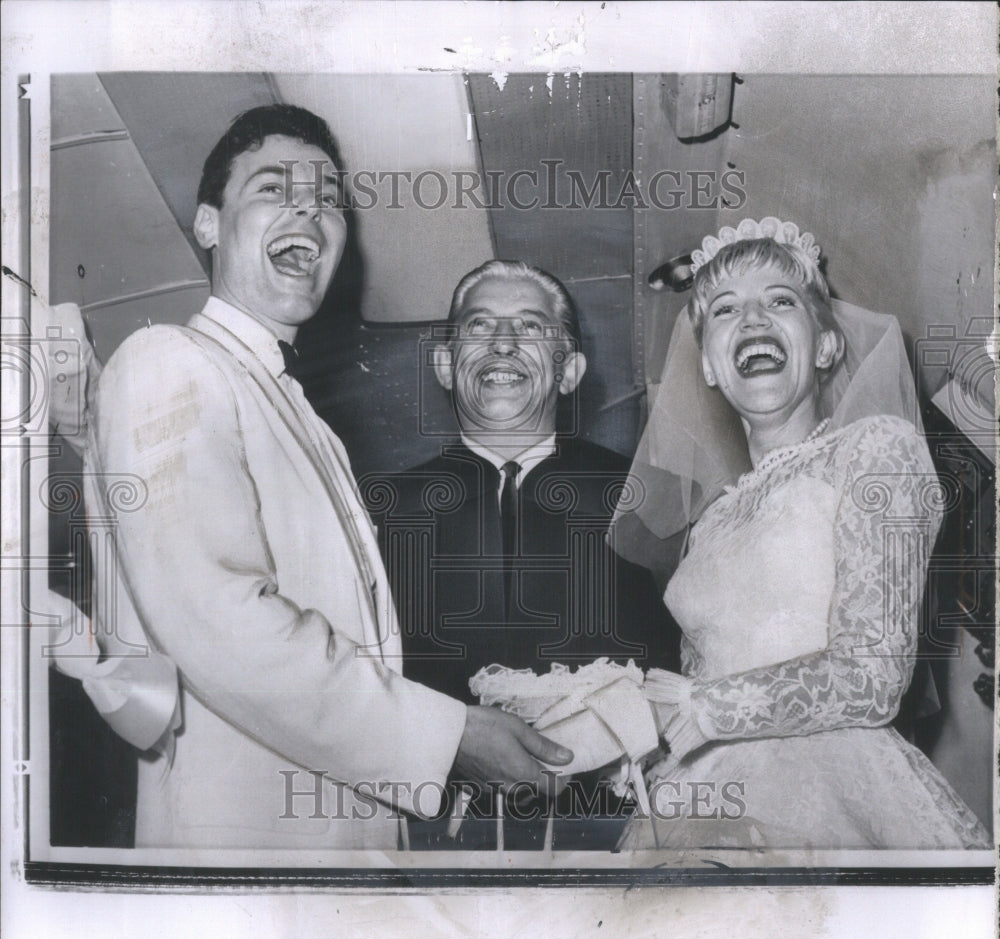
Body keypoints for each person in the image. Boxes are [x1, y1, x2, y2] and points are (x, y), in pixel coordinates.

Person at [82, 105, 570, 850]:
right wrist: (449, 736)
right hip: (247, 854)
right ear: (208, 224)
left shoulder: (299, 413)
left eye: (327, 201)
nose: (310, 211)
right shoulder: (168, 364)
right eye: (274, 188)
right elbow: (221, 617)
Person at [612, 217, 990, 849]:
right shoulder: (713, 519)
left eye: (780, 301)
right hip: (699, 793)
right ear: (709, 366)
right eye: (726, 310)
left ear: (824, 348)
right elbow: (699, 672)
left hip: (833, 786)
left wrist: (704, 710)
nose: (753, 319)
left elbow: (872, 677)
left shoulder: (876, 450)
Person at [365, 260, 677, 849]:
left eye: (531, 328)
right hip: (430, 843)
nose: (503, 343)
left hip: (617, 839)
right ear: (444, 365)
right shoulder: (375, 510)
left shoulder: (643, 496)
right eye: (479, 326)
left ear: (569, 372)